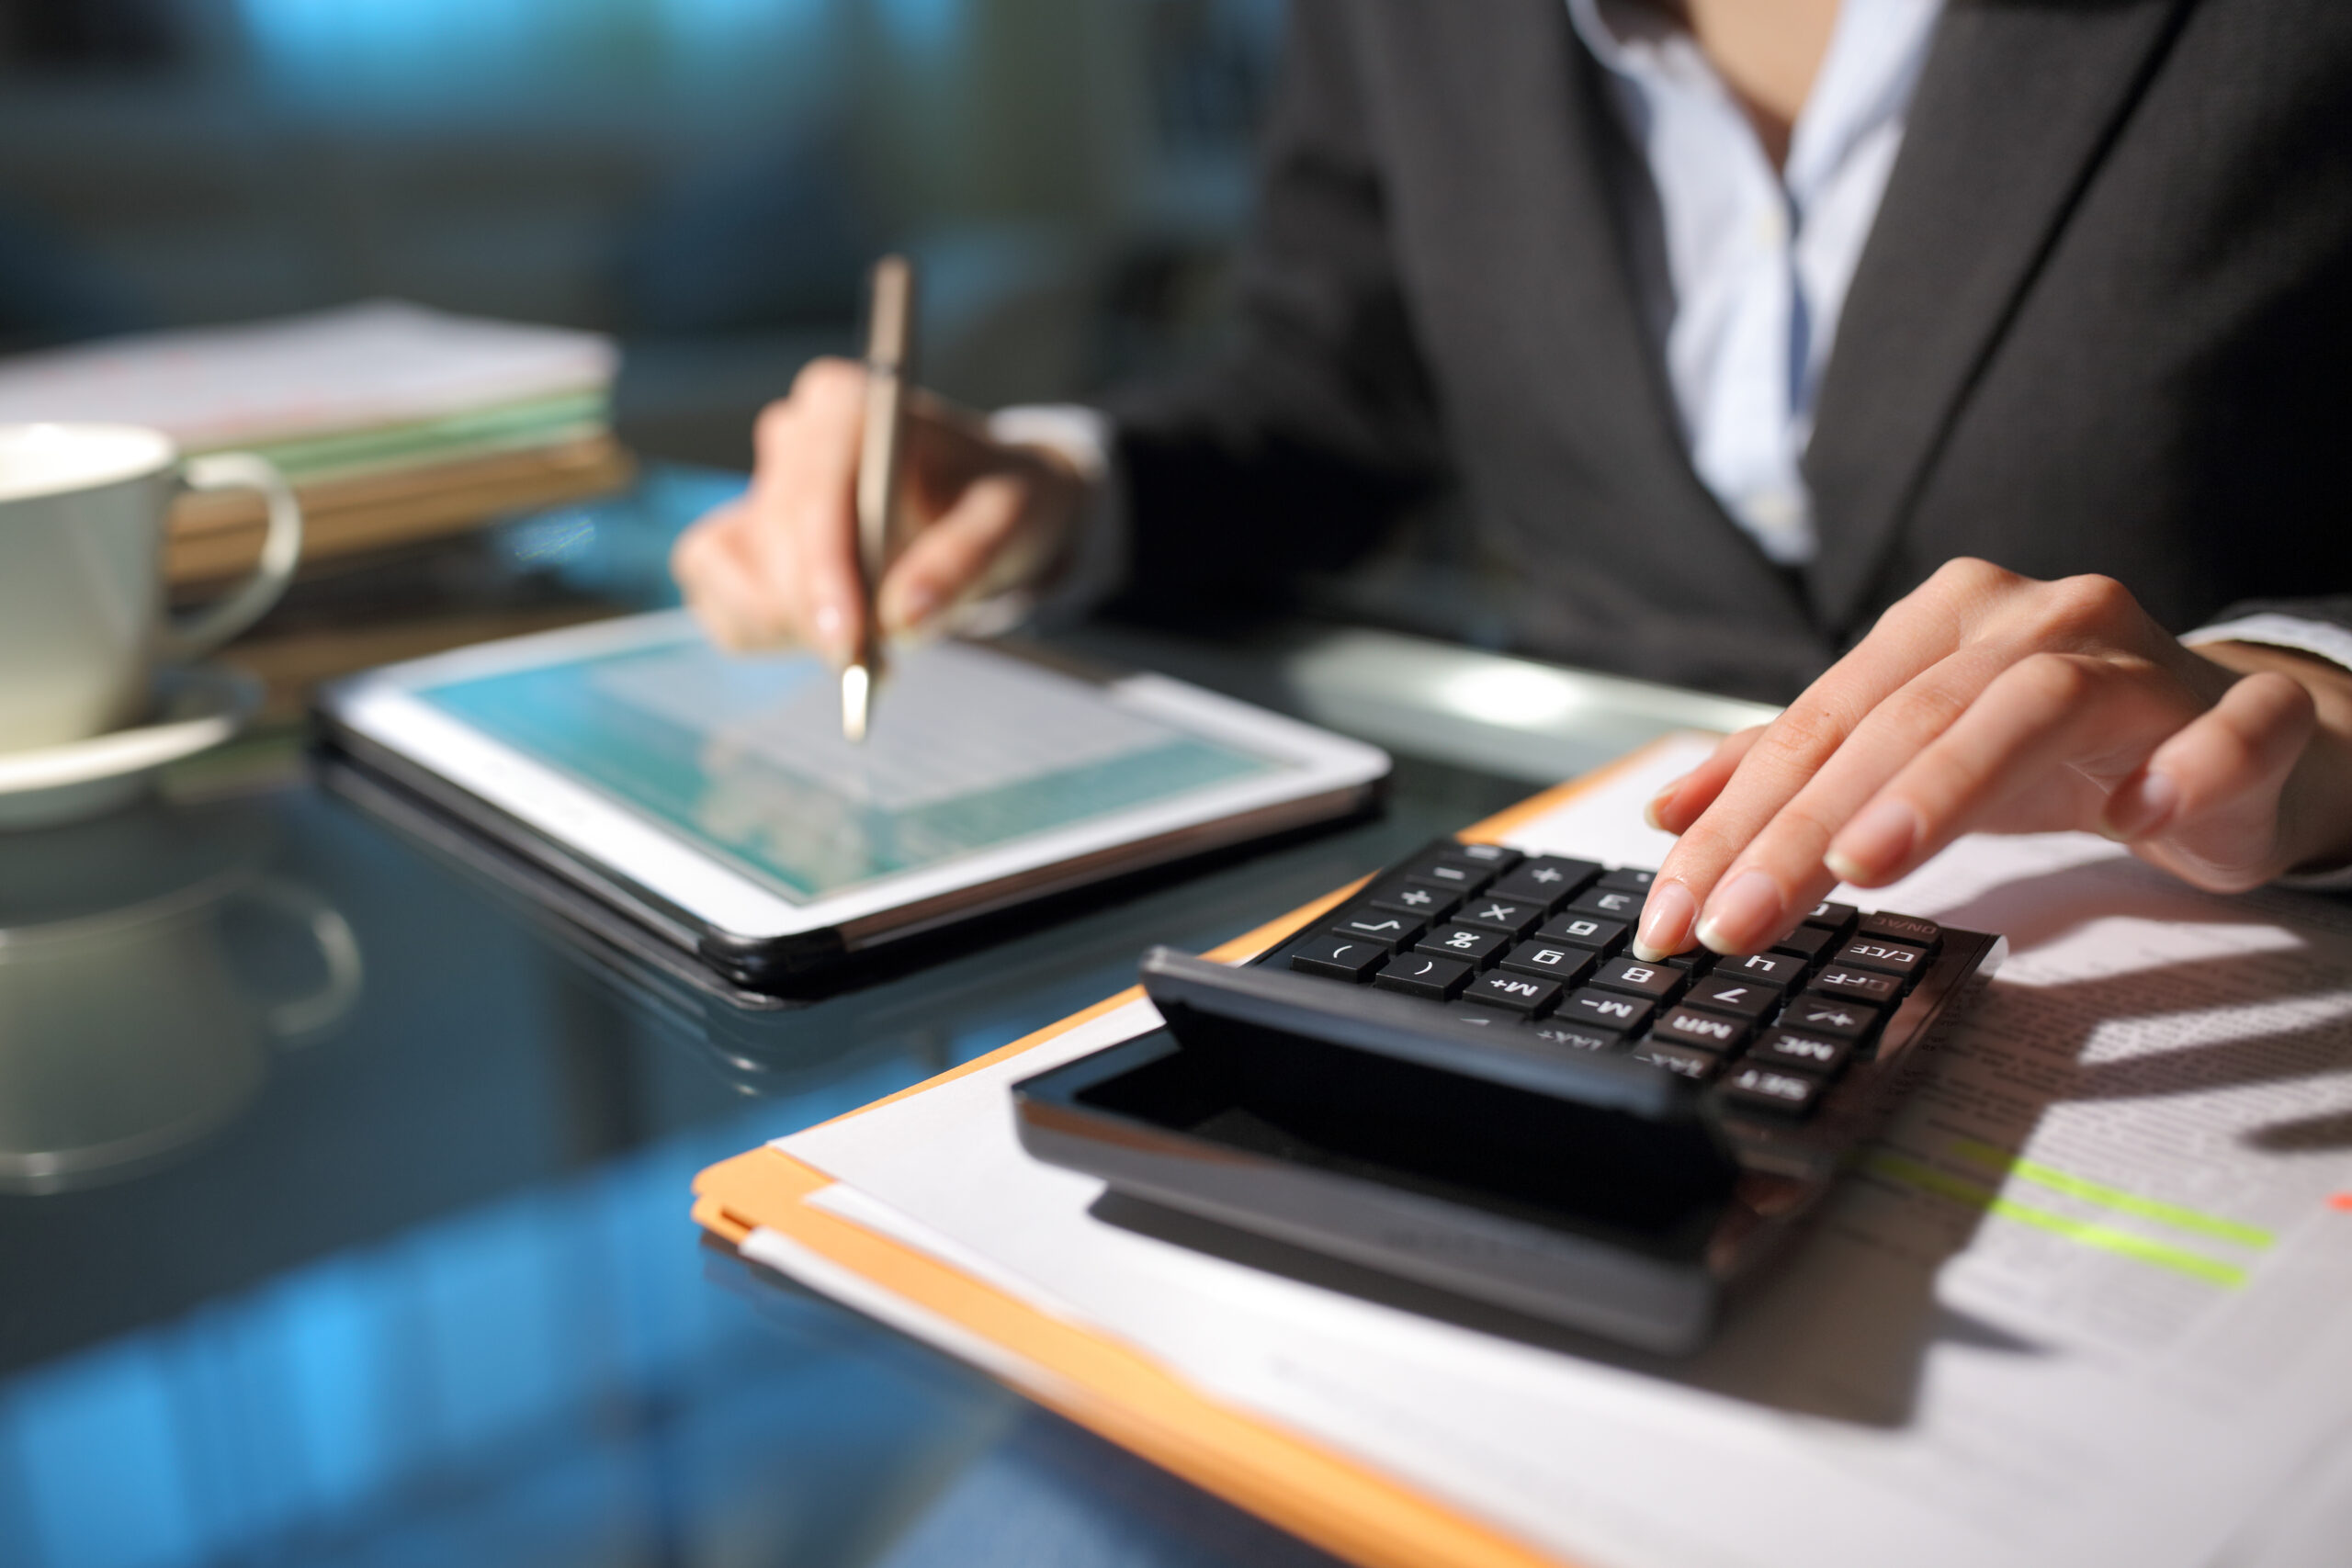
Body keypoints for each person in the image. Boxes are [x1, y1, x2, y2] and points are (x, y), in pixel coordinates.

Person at [673, 0, 2352, 962]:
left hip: (2207, 954)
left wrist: (2313, 713)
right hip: (1587, 905)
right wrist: (1042, 488)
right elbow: (1338, 384)